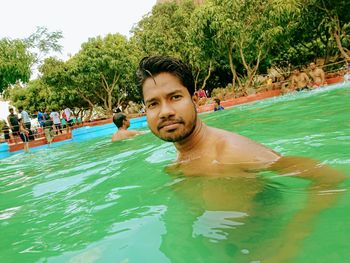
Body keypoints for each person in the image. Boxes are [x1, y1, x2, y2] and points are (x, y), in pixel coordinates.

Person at [136, 55, 346, 262]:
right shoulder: (177, 164)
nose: (165, 112)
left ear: (195, 100)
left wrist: (289, 244)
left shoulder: (231, 153)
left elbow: (329, 178)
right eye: (153, 104)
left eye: (175, 97)